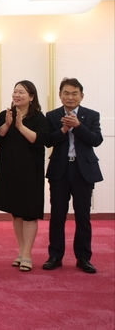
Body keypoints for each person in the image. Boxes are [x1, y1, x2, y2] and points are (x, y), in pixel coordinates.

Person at [43, 78, 103, 274]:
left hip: (83, 171)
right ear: (60, 95)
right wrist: (63, 129)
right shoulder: (52, 116)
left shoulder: (91, 115)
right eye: (66, 93)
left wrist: (78, 126)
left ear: (81, 96)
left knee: (83, 215)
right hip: (60, 170)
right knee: (57, 215)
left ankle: (83, 257)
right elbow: (48, 141)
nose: (70, 97)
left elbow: (96, 140)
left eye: (74, 93)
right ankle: (55, 256)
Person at [0, 80, 49, 272]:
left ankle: (27, 254)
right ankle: (21, 251)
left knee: (29, 213)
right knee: (16, 212)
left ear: (31, 97)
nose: (17, 95)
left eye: (21, 92)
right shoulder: (5, 114)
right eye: (15, 91)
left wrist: (20, 126)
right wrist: (8, 124)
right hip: (9, 169)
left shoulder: (38, 118)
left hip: (30, 171)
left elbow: (41, 140)